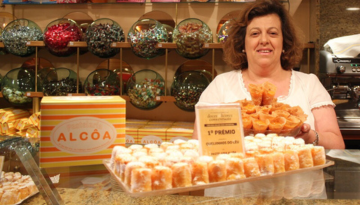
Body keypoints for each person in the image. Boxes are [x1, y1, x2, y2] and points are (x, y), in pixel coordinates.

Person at [193, 0, 345, 149]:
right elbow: (198, 146)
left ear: (284, 43)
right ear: (242, 44)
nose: (264, 40)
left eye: (273, 33)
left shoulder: (309, 84)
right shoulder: (220, 86)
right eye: (255, 33)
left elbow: (337, 145)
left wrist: (310, 136)